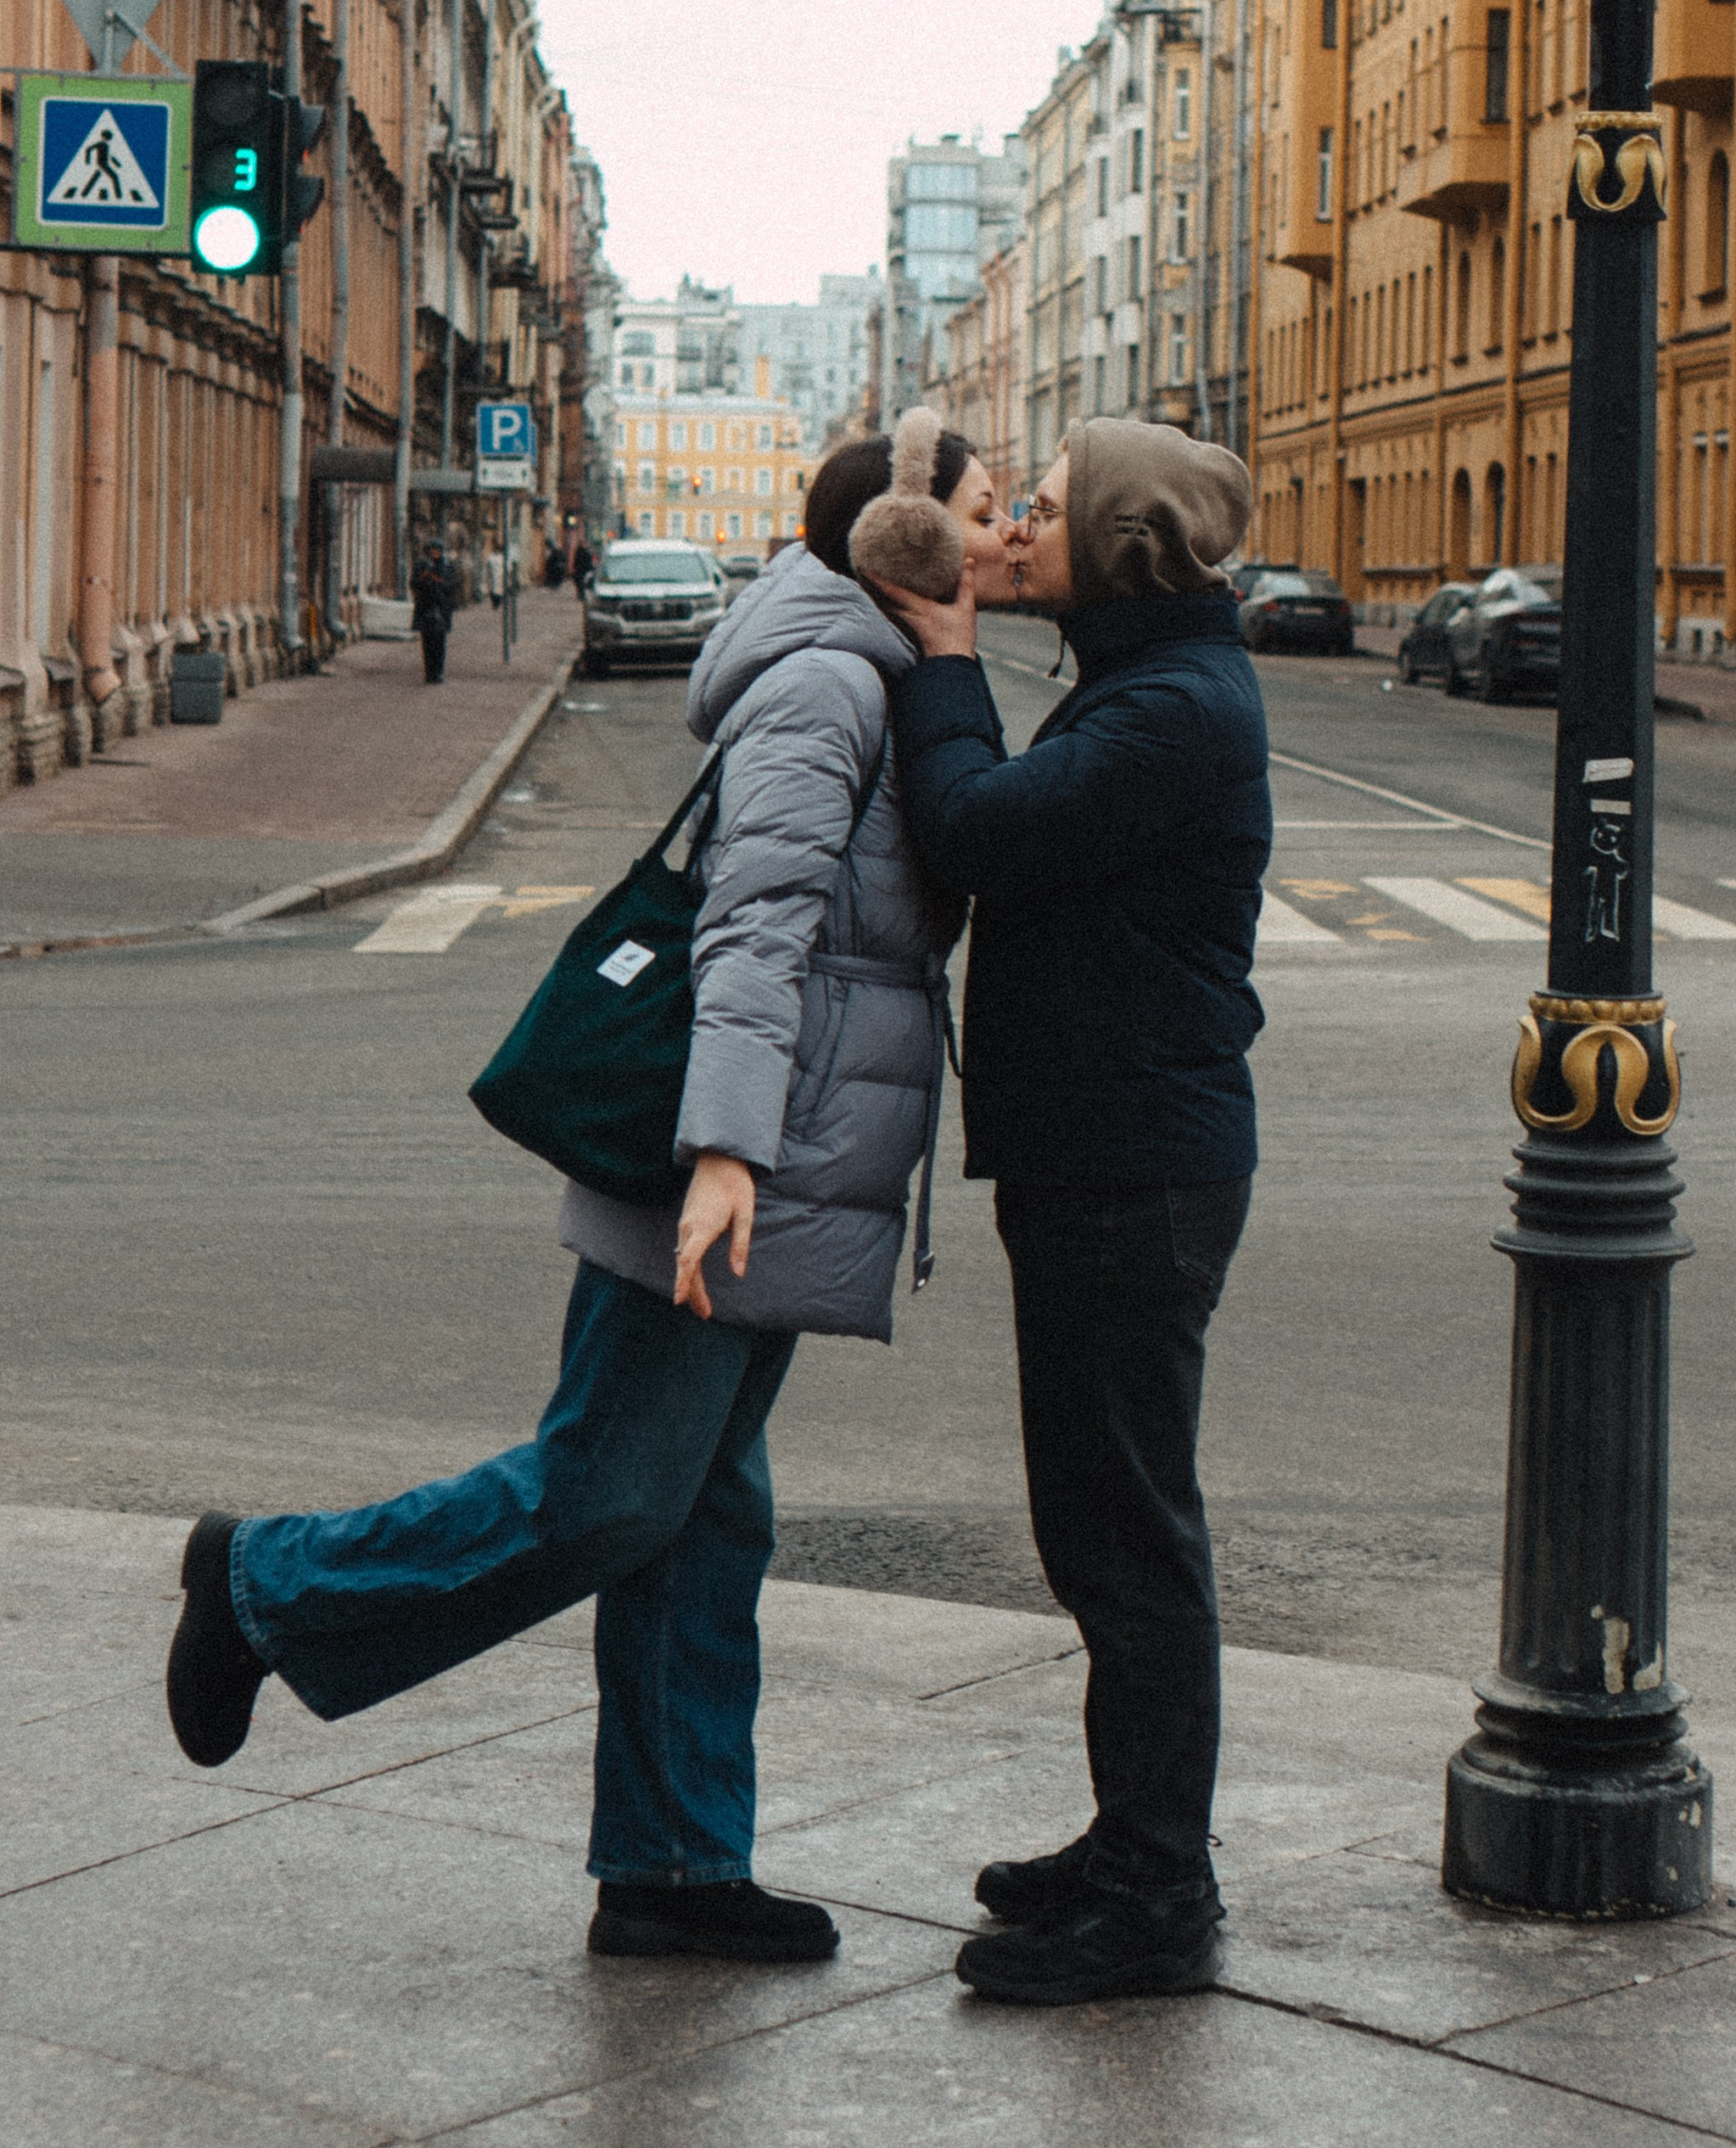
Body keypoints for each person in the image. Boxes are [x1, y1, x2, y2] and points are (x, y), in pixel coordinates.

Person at [163, 415, 1013, 1965]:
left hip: (772, 1170)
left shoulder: (885, 675)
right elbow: (754, 929)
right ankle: (263, 1584)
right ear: (906, 541)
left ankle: (673, 1865)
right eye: (983, 507)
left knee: (704, 1520)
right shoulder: (830, 688)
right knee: (608, 1493)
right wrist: (726, 1154)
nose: (1005, 529)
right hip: (719, 1171)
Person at [873, 418, 1268, 2008]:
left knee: (1130, 1545)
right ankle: (1131, 1847)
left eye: (1043, 510)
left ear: (1119, 546)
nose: (1014, 528)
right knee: (1102, 1532)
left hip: (1131, 1167)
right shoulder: (1146, 683)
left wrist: (945, 660)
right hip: (1102, 1156)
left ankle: (1159, 1895)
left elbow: (977, 829)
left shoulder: (1173, 710)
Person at [411, 543, 457, 685]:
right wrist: (423, 577)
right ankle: (429, 673)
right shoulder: (421, 565)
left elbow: (453, 586)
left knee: (440, 642)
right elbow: (413, 584)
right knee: (427, 643)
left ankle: (438, 672)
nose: (434, 554)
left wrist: (439, 581)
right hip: (425, 608)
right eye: (432, 551)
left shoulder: (447, 566)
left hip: (441, 609)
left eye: (437, 551)